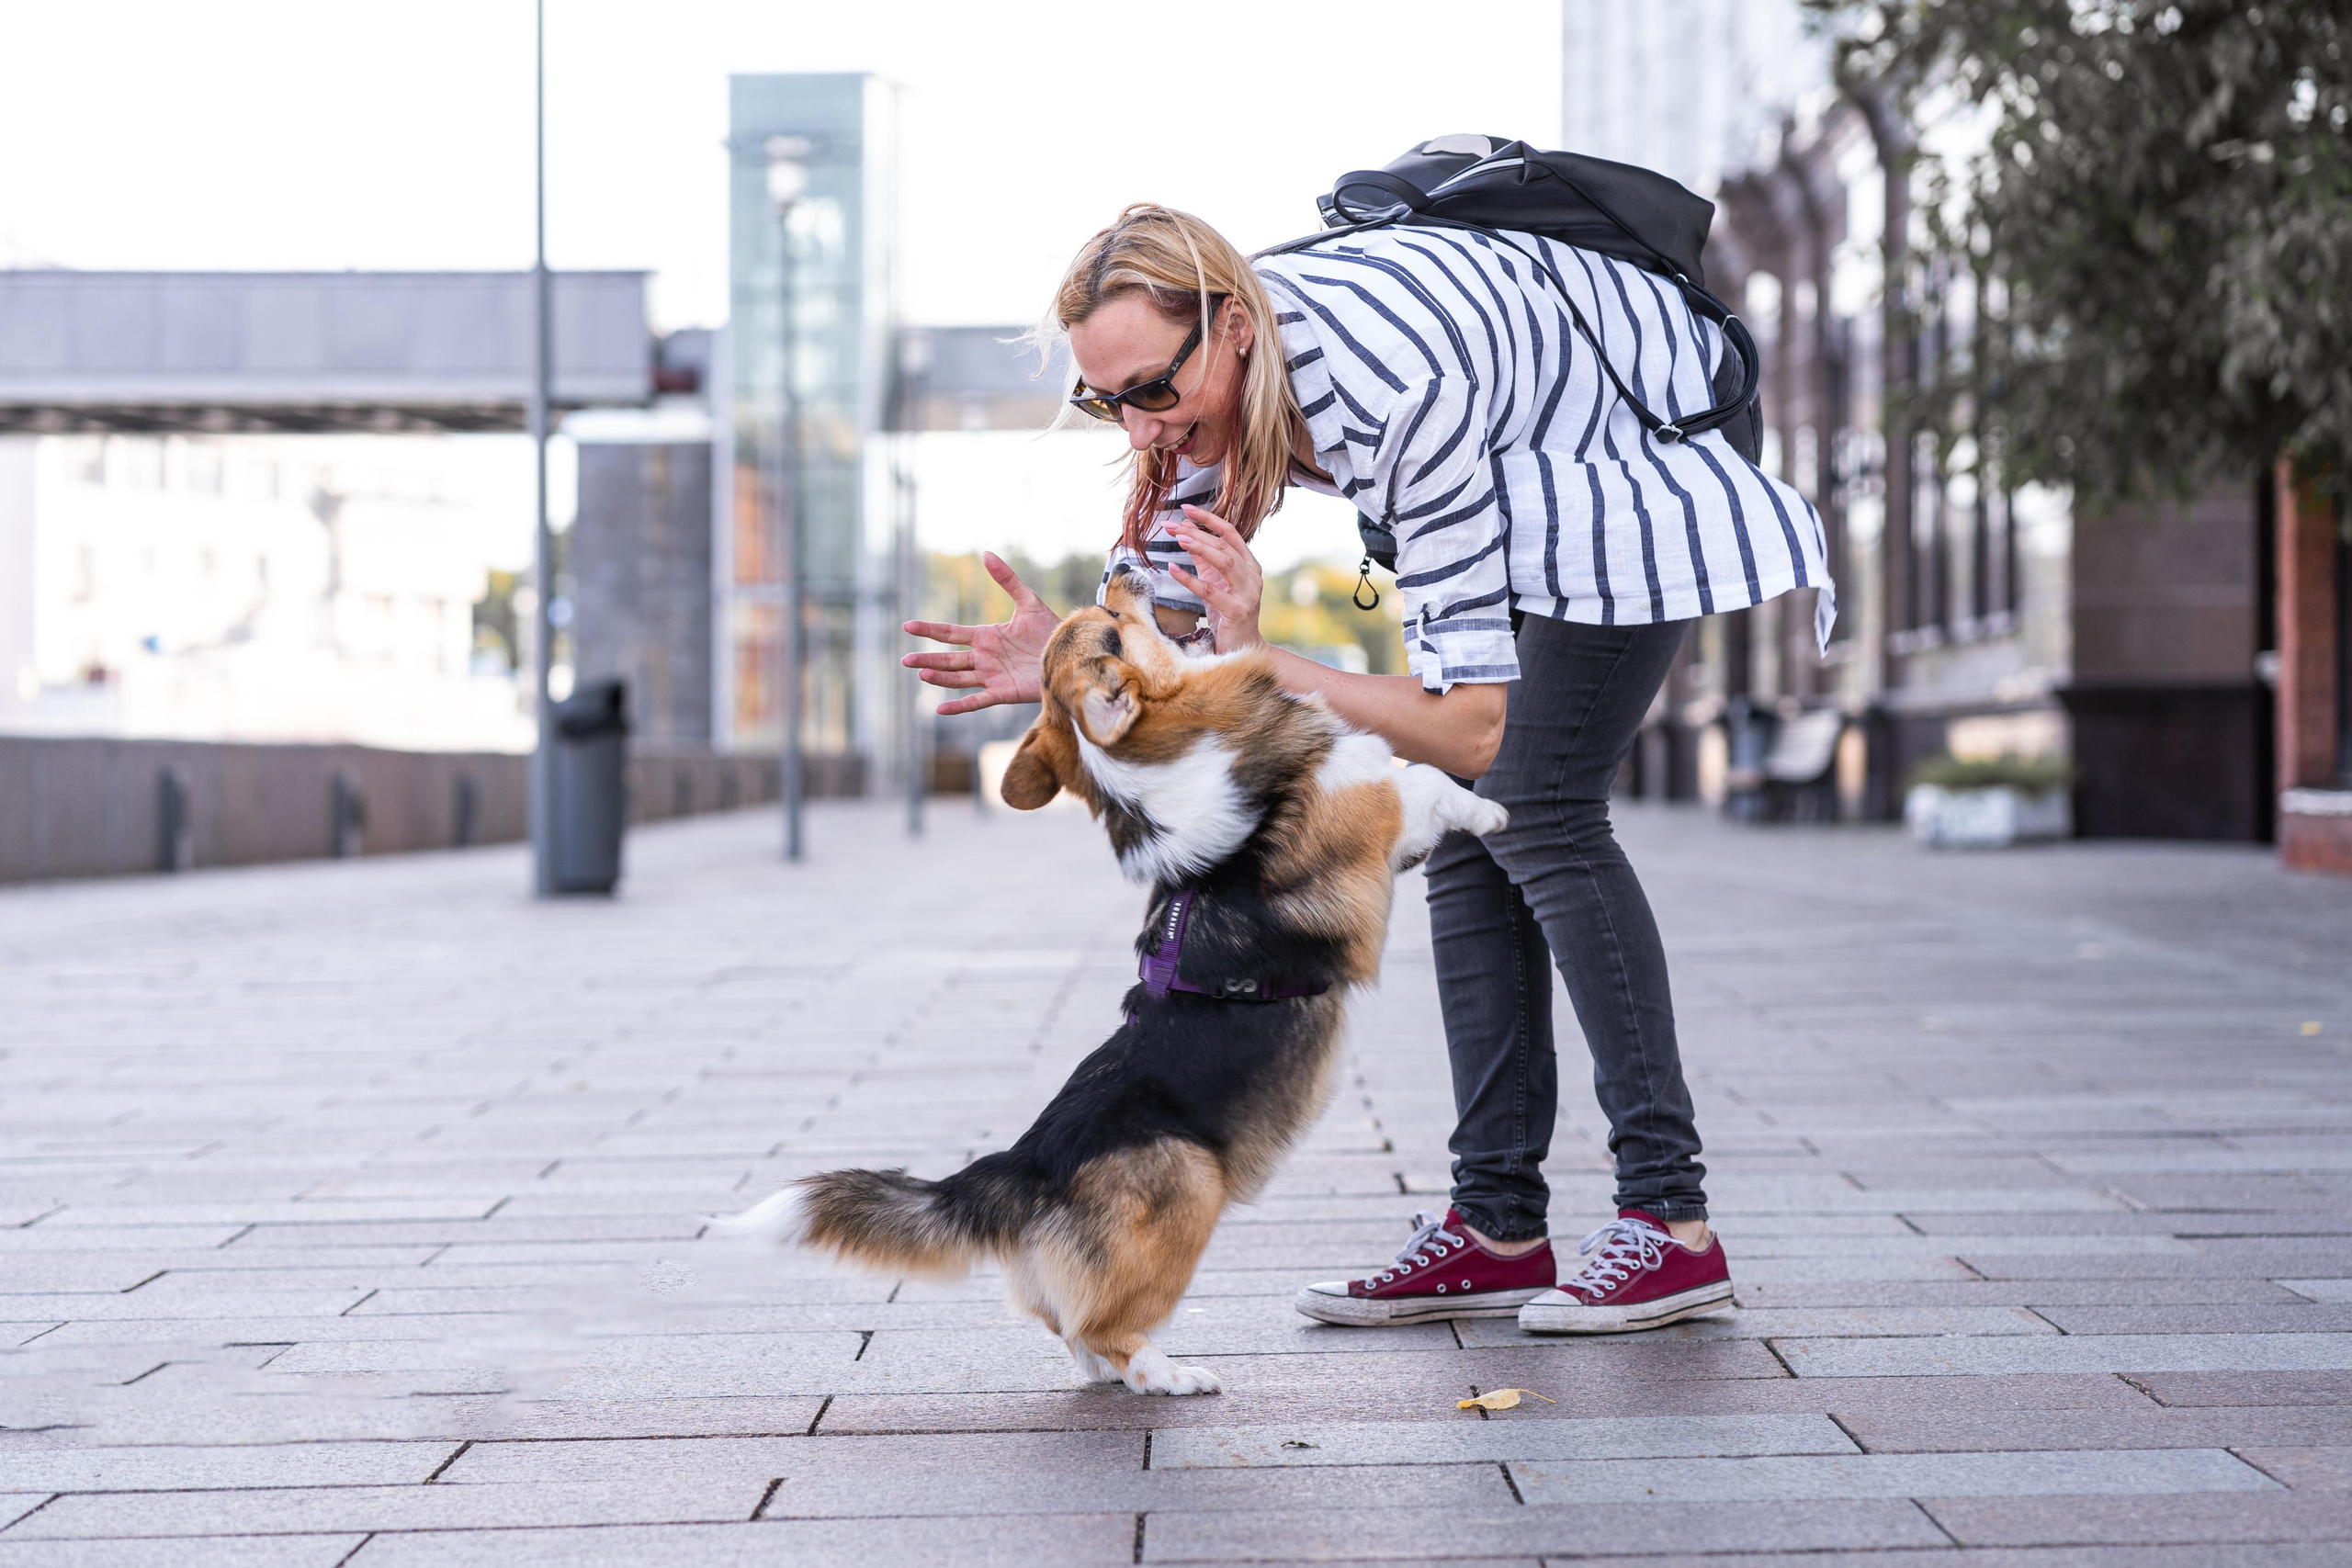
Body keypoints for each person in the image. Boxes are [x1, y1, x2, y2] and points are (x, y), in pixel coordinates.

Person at [904, 201, 1831, 1334]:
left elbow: (1468, 731)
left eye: (1151, 391)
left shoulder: (1400, 393)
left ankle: (1671, 1224)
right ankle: (1497, 1226)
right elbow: (1147, 641)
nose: (1139, 430)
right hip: (1517, 445)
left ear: (1234, 327)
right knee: (1459, 841)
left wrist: (1264, 657)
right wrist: (1066, 665)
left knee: (1532, 802)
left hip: (1632, 448)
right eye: (1108, 400)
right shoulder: (1199, 411)